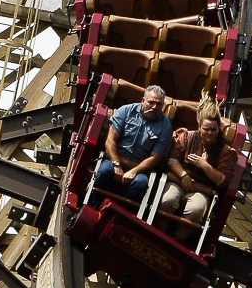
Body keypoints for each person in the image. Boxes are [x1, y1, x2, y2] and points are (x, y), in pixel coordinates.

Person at [158, 92, 237, 241]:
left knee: (197, 209)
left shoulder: (225, 152)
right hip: (178, 181)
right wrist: (184, 175)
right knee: (167, 200)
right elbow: (172, 160)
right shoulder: (187, 137)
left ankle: (177, 240)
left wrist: (205, 166)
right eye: (206, 129)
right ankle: (157, 232)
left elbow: (223, 180)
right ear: (200, 126)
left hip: (202, 191)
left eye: (213, 130)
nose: (209, 133)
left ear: (218, 130)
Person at [90, 85, 172, 208]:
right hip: (115, 160)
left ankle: (118, 213)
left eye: (159, 104)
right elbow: (110, 140)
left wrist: (134, 171)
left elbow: (155, 158)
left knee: (141, 183)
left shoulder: (166, 127)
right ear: (143, 100)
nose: (154, 107)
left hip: (138, 167)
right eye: (151, 102)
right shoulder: (126, 111)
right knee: (104, 171)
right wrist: (116, 164)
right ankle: (93, 206)